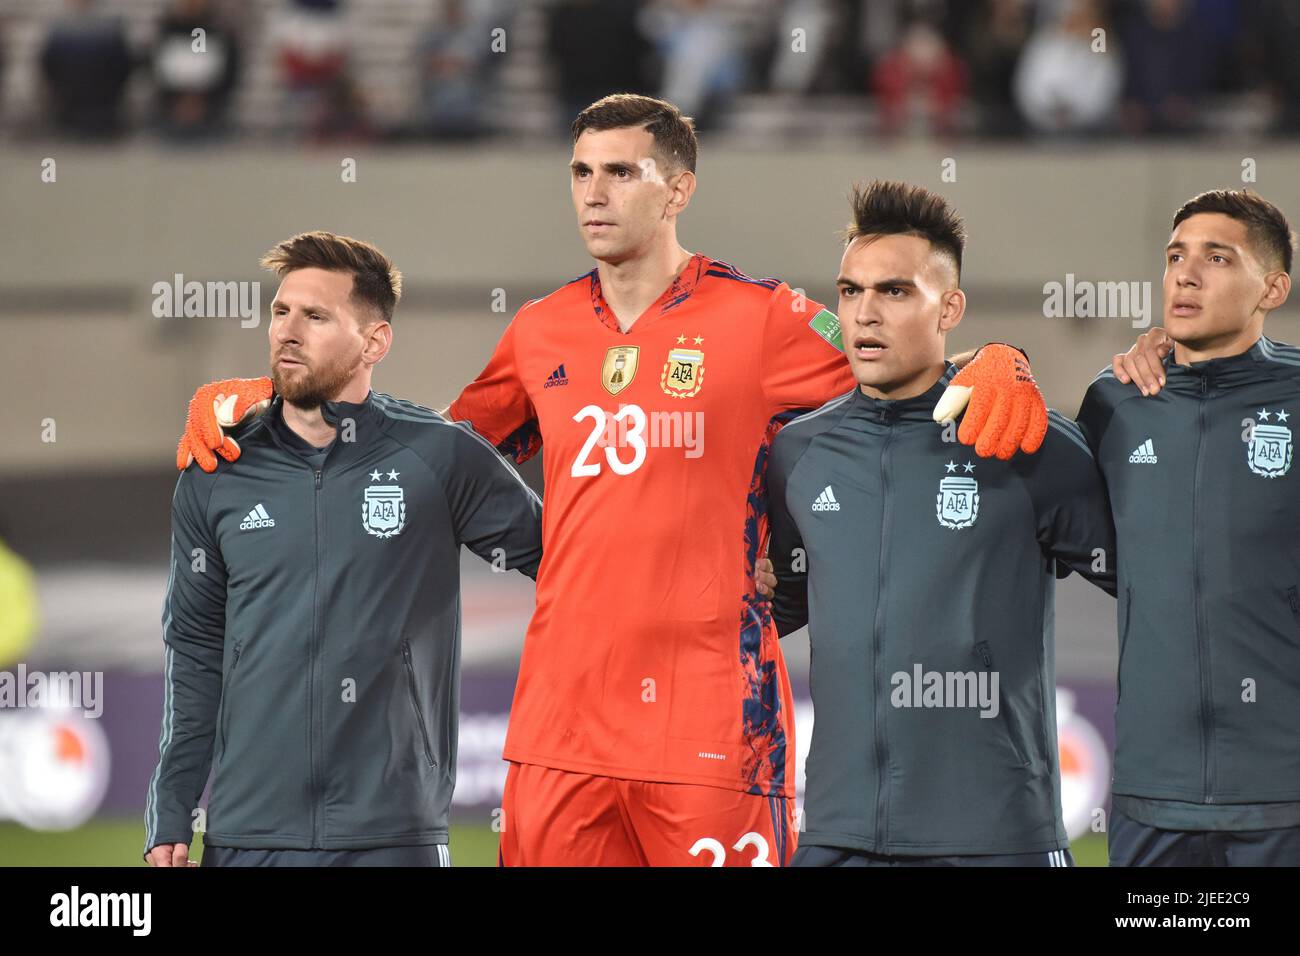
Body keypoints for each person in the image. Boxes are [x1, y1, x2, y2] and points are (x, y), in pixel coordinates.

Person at [169, 95, 1045, 866]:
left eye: (621, 172)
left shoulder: (764, 317)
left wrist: (1000, 361)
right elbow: (421, 452)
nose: (593, 191)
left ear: (678, 188)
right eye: (581, 171)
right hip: (560, 736)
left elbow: (903, 369)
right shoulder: (540, 330)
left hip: (712, 729)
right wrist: (279, 404)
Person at [144, 232, 542, 867]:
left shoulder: (440, 456)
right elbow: (195, 651)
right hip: (249, 835)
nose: (287, 331)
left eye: (316, 316)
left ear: (374, 342)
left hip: (393, 835)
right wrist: (171, 812)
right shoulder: (216, 468)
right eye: (280, 312)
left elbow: (570, 566)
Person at [768, 180, 1116, 866]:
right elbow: (777, 603)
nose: (865, 312)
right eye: (850, 290)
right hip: (840, 835)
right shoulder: (798, 453)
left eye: (894, 291)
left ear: (950, 307)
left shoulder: (1026, 441)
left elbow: (1158, 586)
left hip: (997, 838)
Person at [1084, 189, 1300, 865]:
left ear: (1273, 287)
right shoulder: (1114, 401)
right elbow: (1075, 538)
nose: (1185, 272)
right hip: (1152, 794)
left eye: (1217, 257)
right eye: (1175, 255)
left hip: (1282, 792)